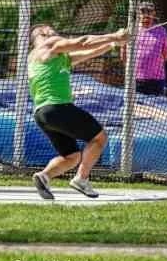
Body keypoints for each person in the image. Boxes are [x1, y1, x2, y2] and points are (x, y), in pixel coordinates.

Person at [28, 24, 129, 199]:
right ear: (43, 32)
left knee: (72, 156)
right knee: (100, 137)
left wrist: (114, 44)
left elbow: (88, 52)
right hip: (57, 107)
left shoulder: (46, 57)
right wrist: (114, 35)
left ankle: (44, 176)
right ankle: (81, 179)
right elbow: (83, 42)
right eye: (51, 28)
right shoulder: (49, 44)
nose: (55, 31)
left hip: (42, 114)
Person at [120, 1, 167, 96]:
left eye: (149, 11)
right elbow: (123, 54)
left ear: (154, 13)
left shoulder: (161, 31)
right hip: (135, 80)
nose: (146, 14)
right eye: (143, 11)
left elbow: (165, 54)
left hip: (156, 80)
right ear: (138, 13)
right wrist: (131, 71)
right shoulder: (131, 30)